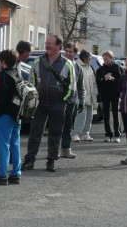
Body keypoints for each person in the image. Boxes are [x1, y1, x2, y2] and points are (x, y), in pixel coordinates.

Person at [24, 34, 75, 173]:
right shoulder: (38, 61)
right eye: (46, 43)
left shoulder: (67, 64)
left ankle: (51, 161)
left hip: (57, 104)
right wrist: (32, 100)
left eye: (50, 43)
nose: (47, 45)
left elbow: (71, 87)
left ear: (58, 46)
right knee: (35, 133)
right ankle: (29, 160)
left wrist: (64, 102)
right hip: (39, 104)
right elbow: (31, 82)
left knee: (55, 134)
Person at [0, 50, 22, 185]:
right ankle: (16, 173)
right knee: (15, 144)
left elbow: (2, 95)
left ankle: (2, 174)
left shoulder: (3, 75)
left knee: (3, 145)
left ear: (3, 62)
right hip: (17, 114)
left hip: (4, 114)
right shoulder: (17, 73)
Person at [60, 43, 82, 157]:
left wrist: (81, 100)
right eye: (66, 51)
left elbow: (80, 86)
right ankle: (53, 150)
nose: (68, 53)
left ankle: (66, 149)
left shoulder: (78, 67)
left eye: (71, 52)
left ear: (75, 53)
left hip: (72, 101)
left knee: (68, 125)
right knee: (57, 125)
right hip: (60, 100)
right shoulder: (60, 64)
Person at [96, 50, 122, 143]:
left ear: (111, 58)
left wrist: (112, 78)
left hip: (115, 94)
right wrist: (104, 78)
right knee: (106, 114)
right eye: (104, 59)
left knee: (115, 114)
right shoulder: (100, 69)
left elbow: (121, 81)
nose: (105, 60)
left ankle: (117, 134)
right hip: (105, 94)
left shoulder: (117, 68)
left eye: (106, 58)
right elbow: (98, 82)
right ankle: (108, 134)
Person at [71, 50, 97, 142]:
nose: (90, 60)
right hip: (80, 95)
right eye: (89, 58)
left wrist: (95, 93)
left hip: (90, 96)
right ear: (85, 58)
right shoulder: (77, 66)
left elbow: (93, 83)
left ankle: (85, 133)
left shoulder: (89, 67)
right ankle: (75, 133)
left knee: (89, 116)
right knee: (80, 115)